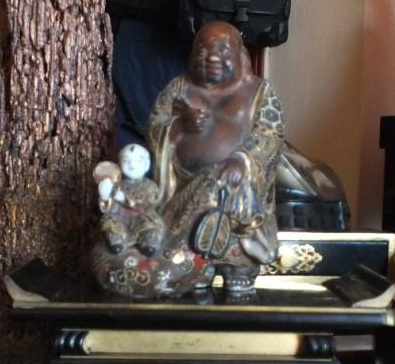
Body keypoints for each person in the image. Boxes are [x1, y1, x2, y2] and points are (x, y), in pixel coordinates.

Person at [147, 21, 285, 290]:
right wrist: (178, 127)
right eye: (203, 51)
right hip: (182, 193)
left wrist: (242, 160)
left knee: (226, 191)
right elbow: (154, 128)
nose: (211, 58)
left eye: (223, 51)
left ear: (240, 55)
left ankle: (232, 265)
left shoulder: (260, 92)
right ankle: (190, 266)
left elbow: (271, 136)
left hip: (235, 192)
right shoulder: (178, 89)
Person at [97, 143, 164, 257]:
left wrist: (123, 198)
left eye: (138, 161)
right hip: (121, 217)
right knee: (108, 221)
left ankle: (148, 243)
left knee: (150, 226)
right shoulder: (118, 185)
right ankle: (117, 243)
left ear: (147, 164)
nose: (132, 165)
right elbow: (112, 208)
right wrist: (105, 196)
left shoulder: (150, 186)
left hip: (142, 216)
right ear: (119, 164)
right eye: (126, 160)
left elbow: (150, 202)